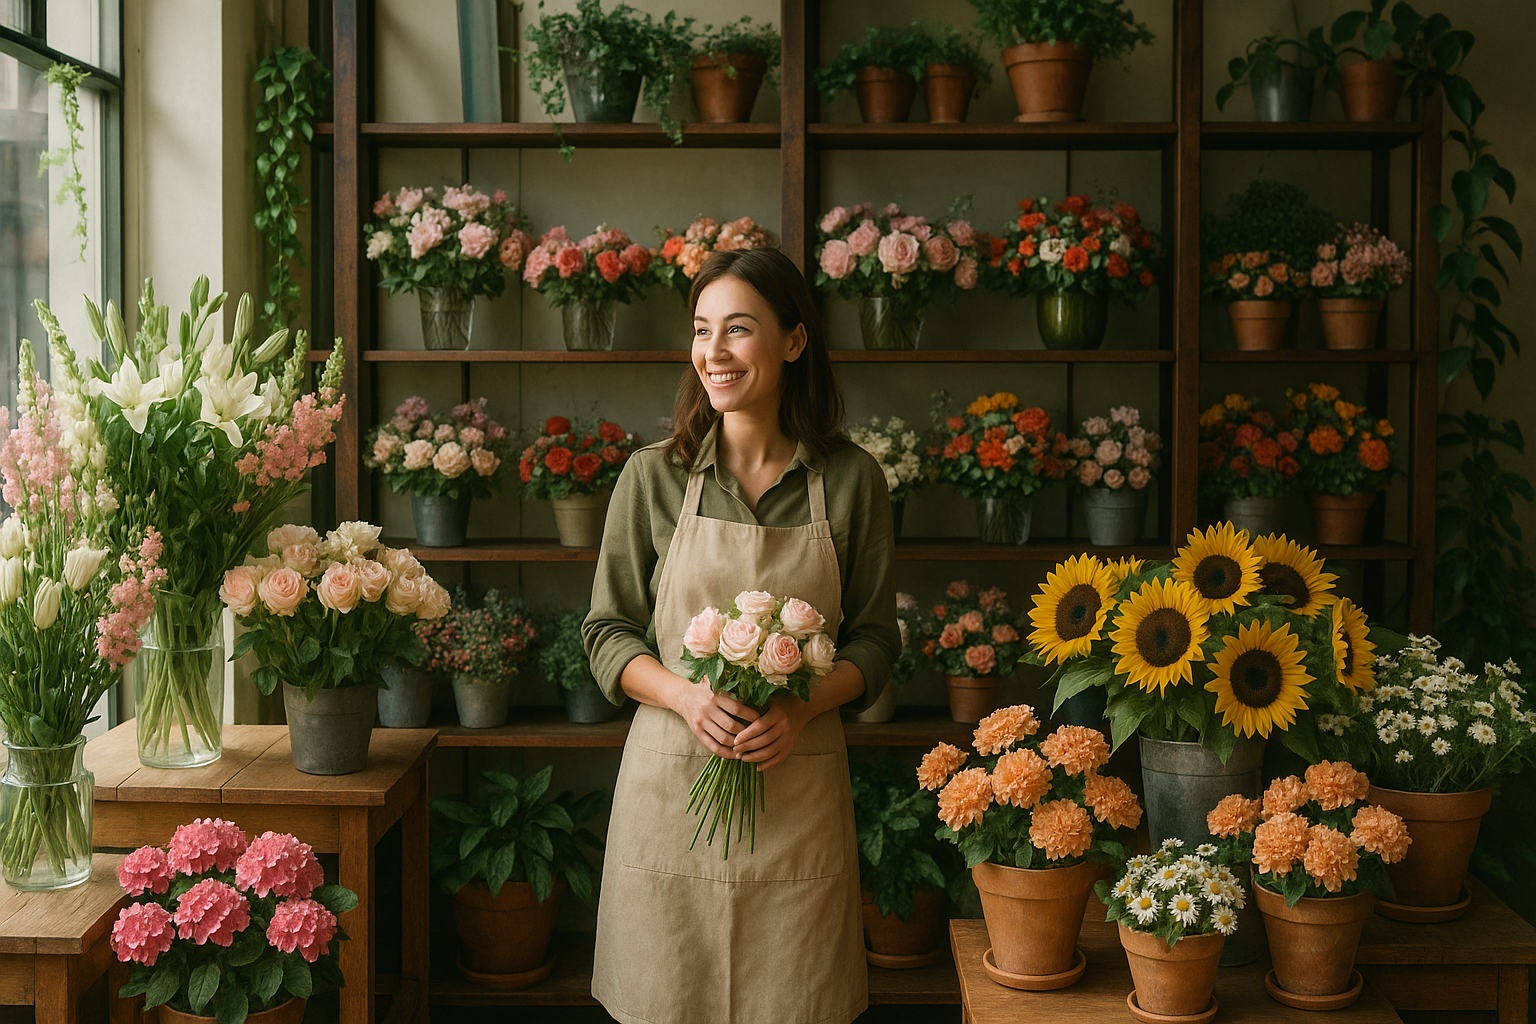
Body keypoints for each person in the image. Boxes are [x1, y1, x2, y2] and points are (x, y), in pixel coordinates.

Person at [582, 247, 901, 1024]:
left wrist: (801, 706)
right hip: (669, 796)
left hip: (799, 799)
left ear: (794, 340)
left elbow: (875, 643)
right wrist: (686, 697)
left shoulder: (851, 480)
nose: (713, 352)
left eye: (738, 328)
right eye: (702, 330)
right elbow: (607, 632)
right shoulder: (653, 476)